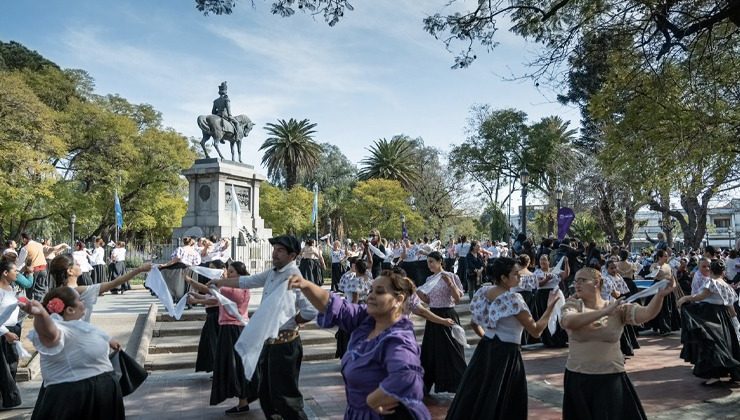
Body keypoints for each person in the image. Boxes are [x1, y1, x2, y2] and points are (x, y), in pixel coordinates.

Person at [288, 270, 431, 419]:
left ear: (398, 300)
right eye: (371, 290)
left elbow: (406, 377)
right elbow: (336, 307)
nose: (371, 296)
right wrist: (305, 285)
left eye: (379, 292)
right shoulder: (367, 320)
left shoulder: (399, 339)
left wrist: (372, 400)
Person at [210, 235, 317, 420]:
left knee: (286, 397)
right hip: (269, 343)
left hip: (286, 345)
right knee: (266, 394)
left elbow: (310, 310)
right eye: (275, 249)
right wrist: (220, 282)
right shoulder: (272, 272)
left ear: (292, 255)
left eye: (280, 250)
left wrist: (291, 322)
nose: (275, 253)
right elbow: (247, 281)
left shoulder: (294, 276)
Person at [446, 257, 560, 420]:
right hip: (507, 354)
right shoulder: (513, 299)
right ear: (503, 278)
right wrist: (550, 308)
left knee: (478, 395)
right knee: (503, 399)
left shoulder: (483, 292)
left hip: (485, 349)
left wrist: (489, 338)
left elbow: (474, 323)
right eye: (515, 274)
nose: (519, 277)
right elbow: (536, 331)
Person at [559, 267, 673, 419]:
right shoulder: (573, 305)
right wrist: (605, 312)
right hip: (578, 377)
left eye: (582, 280)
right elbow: (568, 322)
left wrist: (660, 296)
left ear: (596, 283)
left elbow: (646, 314)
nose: (577, 284)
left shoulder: (618, 308)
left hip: (610, 375)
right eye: (575, 281)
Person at [22, 287, 125, 420]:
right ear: (70, 310)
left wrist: (109, 340)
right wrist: (41, 314)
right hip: (76, 398)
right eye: (79, 300)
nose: (83, 303)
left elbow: (96, 334)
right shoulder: (59, 327)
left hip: (104, 393)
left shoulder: (79, 325)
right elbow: (50, 333)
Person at [188, 261, 258, 414]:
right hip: (239, 327)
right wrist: (198, 297)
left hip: (231, 329)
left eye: (231, 272)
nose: (228, 274)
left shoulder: (231, 290)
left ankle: (243, 399)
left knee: (233, 366)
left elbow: (210, 290)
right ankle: (243, 400)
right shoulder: (241, 289)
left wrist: (189, 280)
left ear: (239, 275)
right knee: (236, 365)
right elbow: (214, 297)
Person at [677, 259, 740, 385]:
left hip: (711, 316)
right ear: (723, 272)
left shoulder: (712, 282)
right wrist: (734, 322)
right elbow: (731, 308)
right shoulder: (726, 285)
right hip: (724, 318)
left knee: (713, 345)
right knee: (725, 345)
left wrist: (685, 298)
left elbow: (701, 296)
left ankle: (715, 375)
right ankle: (728, 372)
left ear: (711, 270)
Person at [49, 254, 152, 323]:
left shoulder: (55, 293)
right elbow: (114, 283)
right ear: (70, 271)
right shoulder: (79, 291)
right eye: (76, 263)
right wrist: (139, 269)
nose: (79, 264)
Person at [416, 251, 465, 394]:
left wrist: (450, 284)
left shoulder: (451, 276)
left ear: (440, 261)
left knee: (453, 351)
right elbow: (428, 300)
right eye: (428, 262)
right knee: (430, 352)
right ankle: (424, 386)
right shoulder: (429, 279)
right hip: (433, 316)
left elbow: (457, 299)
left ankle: (460, 385)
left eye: (431, 261)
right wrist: (420, 295)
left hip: (448, 314)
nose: (429, 265)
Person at [534, 254, 570, 347]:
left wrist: (566, 263)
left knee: (559, 315)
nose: (542, 262)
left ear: (549, 261)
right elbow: (539, 284)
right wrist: (546, 279)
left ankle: (561, 339)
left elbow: (565, 274)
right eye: (541, 260)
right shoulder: (537, 272)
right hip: (544, 296)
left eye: (544, 260)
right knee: (548, 317)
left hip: (556, 294)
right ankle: (549, 340)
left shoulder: (555, 270)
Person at [0, 259, 22, 408]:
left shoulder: (12, 288)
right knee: (4, 368)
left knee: (12, 364)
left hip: (13, 329)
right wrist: (6, 332)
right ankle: (8, 398)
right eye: (15, 271)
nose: (17, 273)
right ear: (5, 273)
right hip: (3, 331)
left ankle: (8, 397)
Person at [645, 249, 680, 335]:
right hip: (658, 287)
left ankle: (666, 327)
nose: (667, 257)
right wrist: (655, 270)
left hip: (667, 288)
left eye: (667, 255)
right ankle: (657, 326)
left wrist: (673, 285)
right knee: (658, 308)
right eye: (665, 256)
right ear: (660, 257)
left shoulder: (668, 266)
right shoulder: (654, 265)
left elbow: (671, 276)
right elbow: (652, 275)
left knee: (667, 308)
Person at [512, 254, 539, 344]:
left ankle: (519, 339)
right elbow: (536, 286)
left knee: (518, 319)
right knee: (528, 318)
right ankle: (529, 339)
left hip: (516, 296)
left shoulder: (516, 274)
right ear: (528, 263)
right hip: (528, 297)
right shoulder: (532, 274)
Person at [17, 233, 49, 301]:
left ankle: (31, 305)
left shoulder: (25, 248)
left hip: (33, 270)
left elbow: (20, 262)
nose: (22, 241)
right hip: (43, 268)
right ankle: (39, 304)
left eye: (22, 239)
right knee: (40, 289)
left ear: (25, 239)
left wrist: (17, 271)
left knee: (30, 289)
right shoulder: (40, 245)